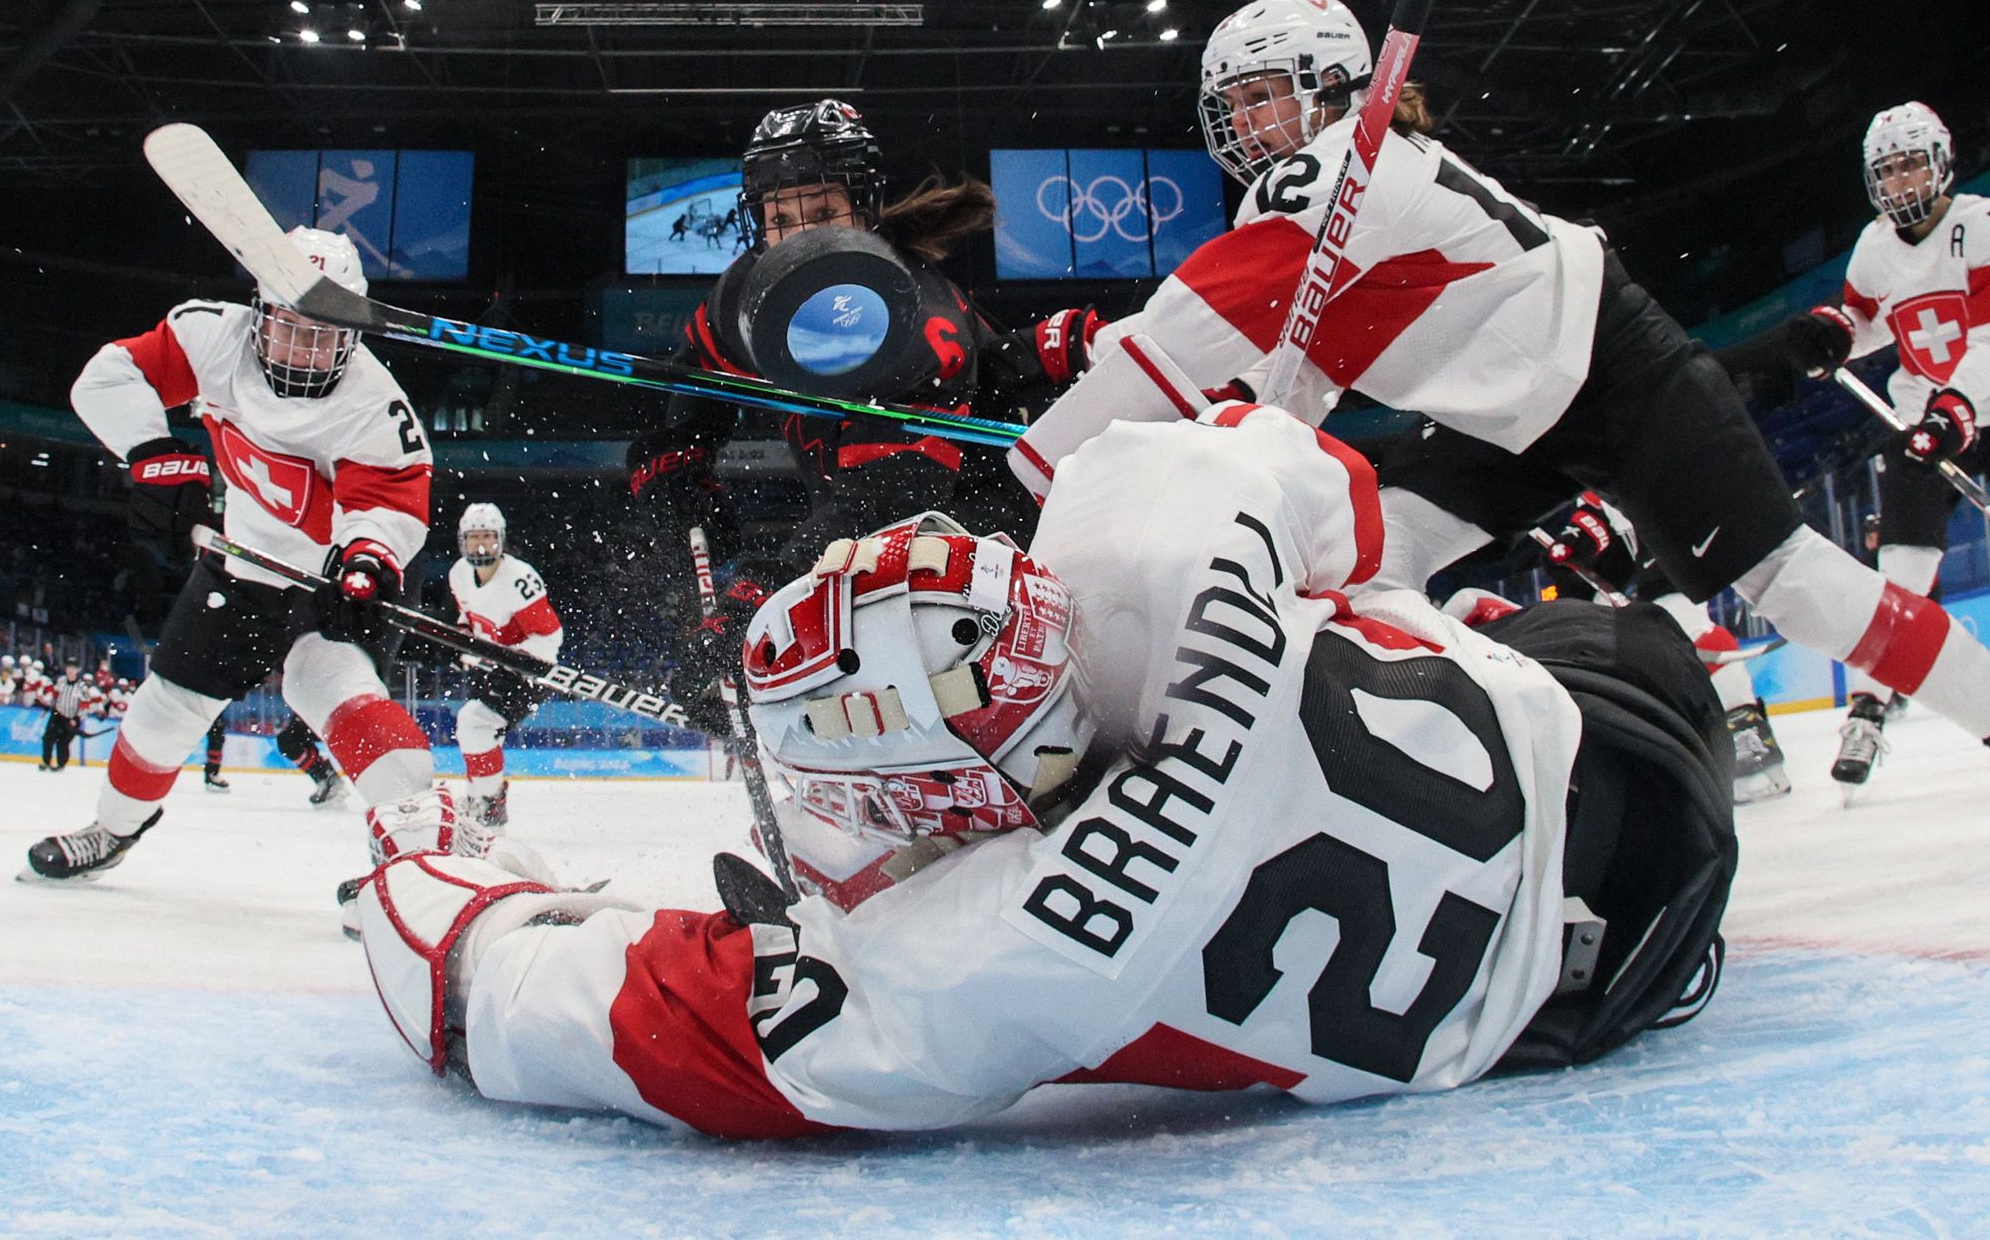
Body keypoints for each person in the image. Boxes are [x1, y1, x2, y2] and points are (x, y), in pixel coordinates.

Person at [349, 404, 1734, 1135]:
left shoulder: (978, 958)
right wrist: (1292, 617)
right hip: (1622, 722)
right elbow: (1336, 492)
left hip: (1555, 1004)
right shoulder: (1143, 523)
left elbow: (542, 1009)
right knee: (1391, 600)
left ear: (946, 805)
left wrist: (433, 895)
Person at [1011, 0, 1990, 767]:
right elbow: (1269, 391)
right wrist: (1121, 377)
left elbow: (1188, 334)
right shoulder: (1320, 204)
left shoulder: (1341, 177)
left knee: (1791, 582)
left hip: (1612, 373)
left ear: (1328, 85)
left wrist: (1036, 465)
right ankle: (1470, 767)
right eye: (1231, 102)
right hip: (1503, 424)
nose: (1244, 119)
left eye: (1261, 92)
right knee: (1362, 565)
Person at [625, 99, 1098, 720]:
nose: (800, 234)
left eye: (822, 211)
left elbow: (886, 504)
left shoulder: (913, 318)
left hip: (985, 537)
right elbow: (702, 368)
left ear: (863, 207)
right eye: (779, 215)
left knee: (913, 703)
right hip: (878, 524)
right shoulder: (747, 289)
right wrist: (680, 452)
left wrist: (764, 598)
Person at [23, 226, 439, 881]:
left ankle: (420, 860)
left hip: (338, 575)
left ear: (353, 334)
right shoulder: (211, 336)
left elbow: (389, 506)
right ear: (259, 312)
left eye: (324, 335)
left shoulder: (375, 405)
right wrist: (154, 455)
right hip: (242, 564)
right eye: (290, 328)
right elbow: (108, 377)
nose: (304, 351)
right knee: (164, 709)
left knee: (332, 689)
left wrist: (367, 560)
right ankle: (113, 830)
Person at [1717, 103, 1983, 787]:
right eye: (1887, 170)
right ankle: (1869, 706)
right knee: (1899, 563)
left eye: (1911, 164)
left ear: (1942, 161)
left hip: (1976, 406)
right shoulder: (1873, 245)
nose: (1900, 181)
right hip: (1923, 418)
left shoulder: (1977, 226)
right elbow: (1869, 319)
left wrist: (1961, 405)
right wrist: (1836, 331)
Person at [1543, 493, 1789, 803]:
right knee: (1623, 643)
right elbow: (1606, 532)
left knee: (1686, 625)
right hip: (1653, 550)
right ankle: (1671, 756)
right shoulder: (1586, 474)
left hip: (1678, 529)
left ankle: (1746, 734)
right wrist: (1576, 546)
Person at [447, 502, 562, 827]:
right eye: (474, 537)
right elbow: (466, 618)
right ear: (462, 541)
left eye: (487, 536)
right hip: (491, 667)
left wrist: (519, 665)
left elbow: (550, 637)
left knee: (475, 723)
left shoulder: (520, 579)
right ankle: (482, 797)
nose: (481, 545)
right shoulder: (458, 574)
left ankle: (488, 802)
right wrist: (465, 642)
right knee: (477, 729)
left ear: (501, 539)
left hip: (529, 673)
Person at [39, 661, 85, 772]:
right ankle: (46, 761)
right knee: (48, 738)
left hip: (70, 718)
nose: (70, 670)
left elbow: (84, 704)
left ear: (77, 670)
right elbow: (54, 696)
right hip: (58, 714)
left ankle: (61, 764)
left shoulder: (82, 686)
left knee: (63, 742)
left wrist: (77, 719)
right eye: (68, 667)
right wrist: (46, 707)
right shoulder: (61, 681)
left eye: (73, 668)